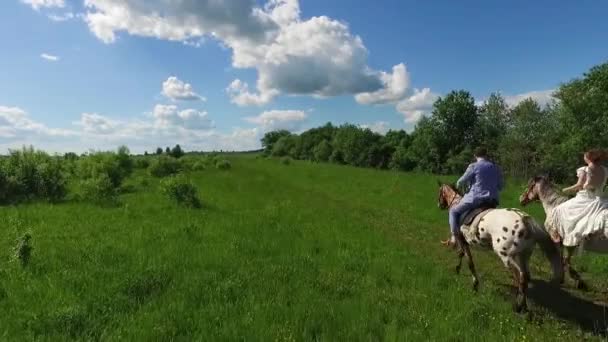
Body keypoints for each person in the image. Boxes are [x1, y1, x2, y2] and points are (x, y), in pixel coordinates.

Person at [441, 147, 504, 247]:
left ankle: (454, 238)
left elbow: (460, 182)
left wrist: (460, 186)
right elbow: (501, 186)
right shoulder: (496, 167)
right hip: (493, 200)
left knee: (453, 211)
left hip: (476, 199)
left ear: (475, 156)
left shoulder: (474, 166)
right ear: (486, 155)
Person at [547, 149, 608, 246]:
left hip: (587, 199)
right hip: (602, 199)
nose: (583, 158)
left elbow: (582, 185)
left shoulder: (588, 169)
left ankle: (560, 236)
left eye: (584, 156)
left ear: (589, 158)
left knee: (558, 210)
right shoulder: (605, 170)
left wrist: (565, 190)